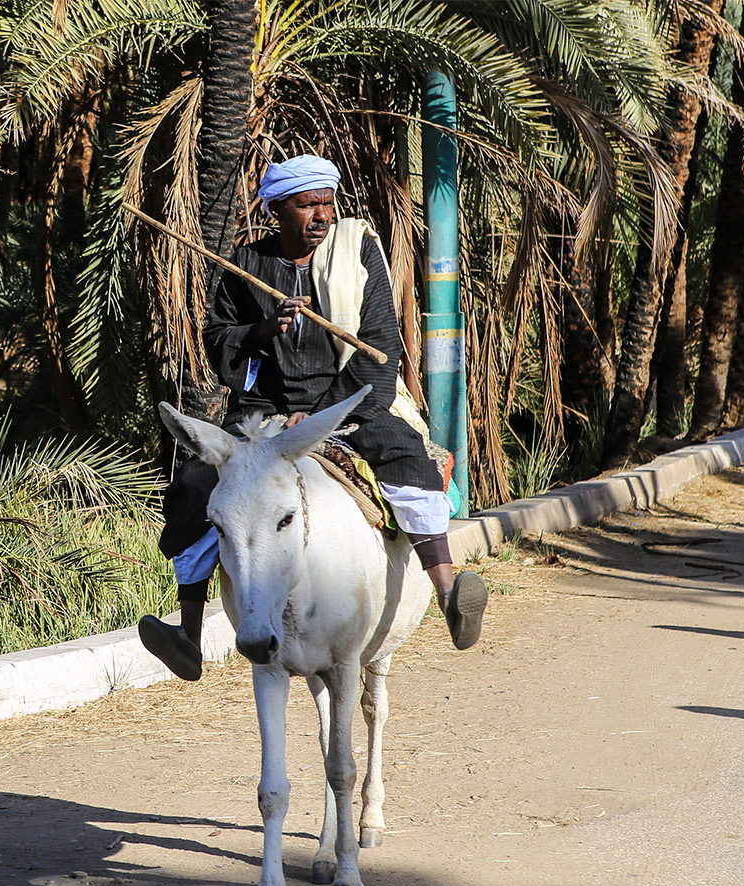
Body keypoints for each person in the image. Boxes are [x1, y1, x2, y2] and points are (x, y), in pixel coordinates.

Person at [138, 154, 486, 680]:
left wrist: (321, 414)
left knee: (406, 453)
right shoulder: (244, 265)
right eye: (307, 205)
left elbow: (381, 348)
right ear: (278, 209)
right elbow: (220, 342)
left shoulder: (356, 250)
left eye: (327, 203)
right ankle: (187, 633)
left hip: (349, 401)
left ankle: (447, 593)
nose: (321, 215)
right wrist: (263, 332)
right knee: (195, 481)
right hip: (264, 415)